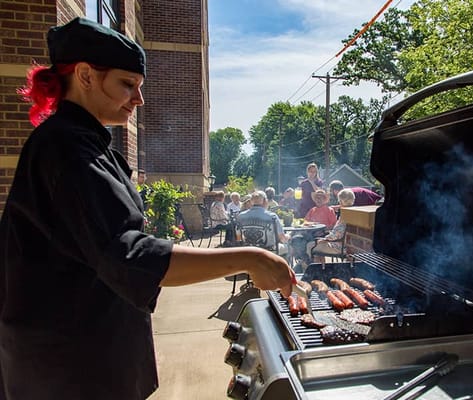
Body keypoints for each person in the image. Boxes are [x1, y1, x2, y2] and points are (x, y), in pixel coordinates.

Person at [0, 17, 293, 400]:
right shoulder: (66, 148)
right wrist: (250, 258)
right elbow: (128, 254)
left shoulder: (80, 142)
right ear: (86, 75)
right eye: (128, 85)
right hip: (68, 365)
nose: (139, 99)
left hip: (81, 347)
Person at [306, 188, 355, 264]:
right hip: (343, 244)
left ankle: (313, 270)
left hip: (337, 246)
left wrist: (324, 239)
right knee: (314, 244)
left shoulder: (345, 215)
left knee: (310, 246)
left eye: (339, 200)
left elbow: (336, 234)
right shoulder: (353, 212)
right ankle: (321, 268)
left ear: (341, 201)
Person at [236, 191, 290, 258]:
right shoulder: (272, 216)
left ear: (250, 202)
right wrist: (288, 236)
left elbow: (238, 238)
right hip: (269, 252)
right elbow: (282, 239)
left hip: (249, 251)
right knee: (287, 247)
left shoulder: (241, 216)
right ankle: (282, 268)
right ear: (265, 201)